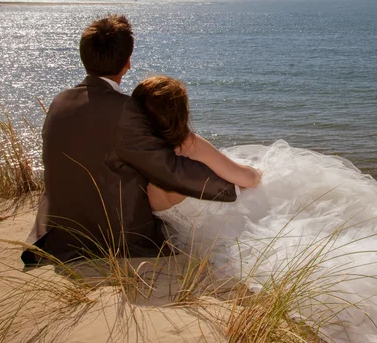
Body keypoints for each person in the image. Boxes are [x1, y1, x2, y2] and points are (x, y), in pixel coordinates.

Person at [132, 75, 377, 343]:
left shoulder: (141, 162)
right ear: (180, 114)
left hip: (199, 235)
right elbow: (246, 180)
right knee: (280, 185)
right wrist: (251, 170)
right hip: (228, 220)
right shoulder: (190, 145)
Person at [22, 15, 237, 266]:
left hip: (61, 234)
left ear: (84, 57)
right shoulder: (126, 110)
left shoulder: (59, 101)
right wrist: (230, 187)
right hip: (116, 237)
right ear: (128, 62)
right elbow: (170, 170)